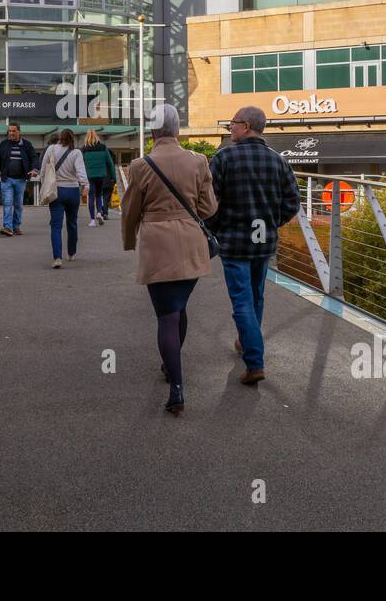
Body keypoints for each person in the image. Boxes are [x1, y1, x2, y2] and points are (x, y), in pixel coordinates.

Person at [121, 104, 217, 415]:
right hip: (190, 243)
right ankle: (171, 364)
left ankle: (176, 387)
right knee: (180, 307)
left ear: (152, 130)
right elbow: (209, 207)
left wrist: (128, 240)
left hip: (157, 243)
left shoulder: (141, 165)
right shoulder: (198, 161)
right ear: (177, 130)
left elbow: (131, 209)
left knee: (166, 316)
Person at [207, 105, 301, 386]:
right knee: (257, 296)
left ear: (245, 126)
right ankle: (247, 340)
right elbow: (292, 202)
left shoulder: (224, 157)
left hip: (234, 243)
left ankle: (255, 360)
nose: (230, 128)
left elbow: (210, 202)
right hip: (265, 243)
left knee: (241, 301)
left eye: (232, 124)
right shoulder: (278, 161)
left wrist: (217, 227)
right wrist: (273, 222)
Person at [41, 128, 88, 269]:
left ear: (60, 137)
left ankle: (57, 258)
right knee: (72, 223)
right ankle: (71, 253)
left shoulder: (51, 149)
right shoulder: (76, 152)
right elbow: (81, 170)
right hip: (73, 191)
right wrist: (86, 185)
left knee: (56, 226)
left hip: (56, 191)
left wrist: (45, 184)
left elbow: (43, 169)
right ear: (73, 138)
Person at [0, 123, 38, 237]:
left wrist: (34, 169)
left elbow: (34, 157)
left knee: (18, 205)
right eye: (10, 131)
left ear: (19, 131)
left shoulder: (26, 144)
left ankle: (16, 226)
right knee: (7, 203)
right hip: (7, 179)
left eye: (13, 131)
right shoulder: (4, 144)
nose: (11, 133)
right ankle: (8, 227)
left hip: (21, 180)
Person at [80, 129, 117, 227]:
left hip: (90, 176)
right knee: (99, 195)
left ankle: (92, 220)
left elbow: (80, 164)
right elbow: (110, 163)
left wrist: (81, 179)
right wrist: (114, 177)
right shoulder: (103, 147)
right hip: (101, 176)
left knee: (91, 197)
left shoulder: (84, 149)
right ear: (96, 137)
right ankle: (99, 213)